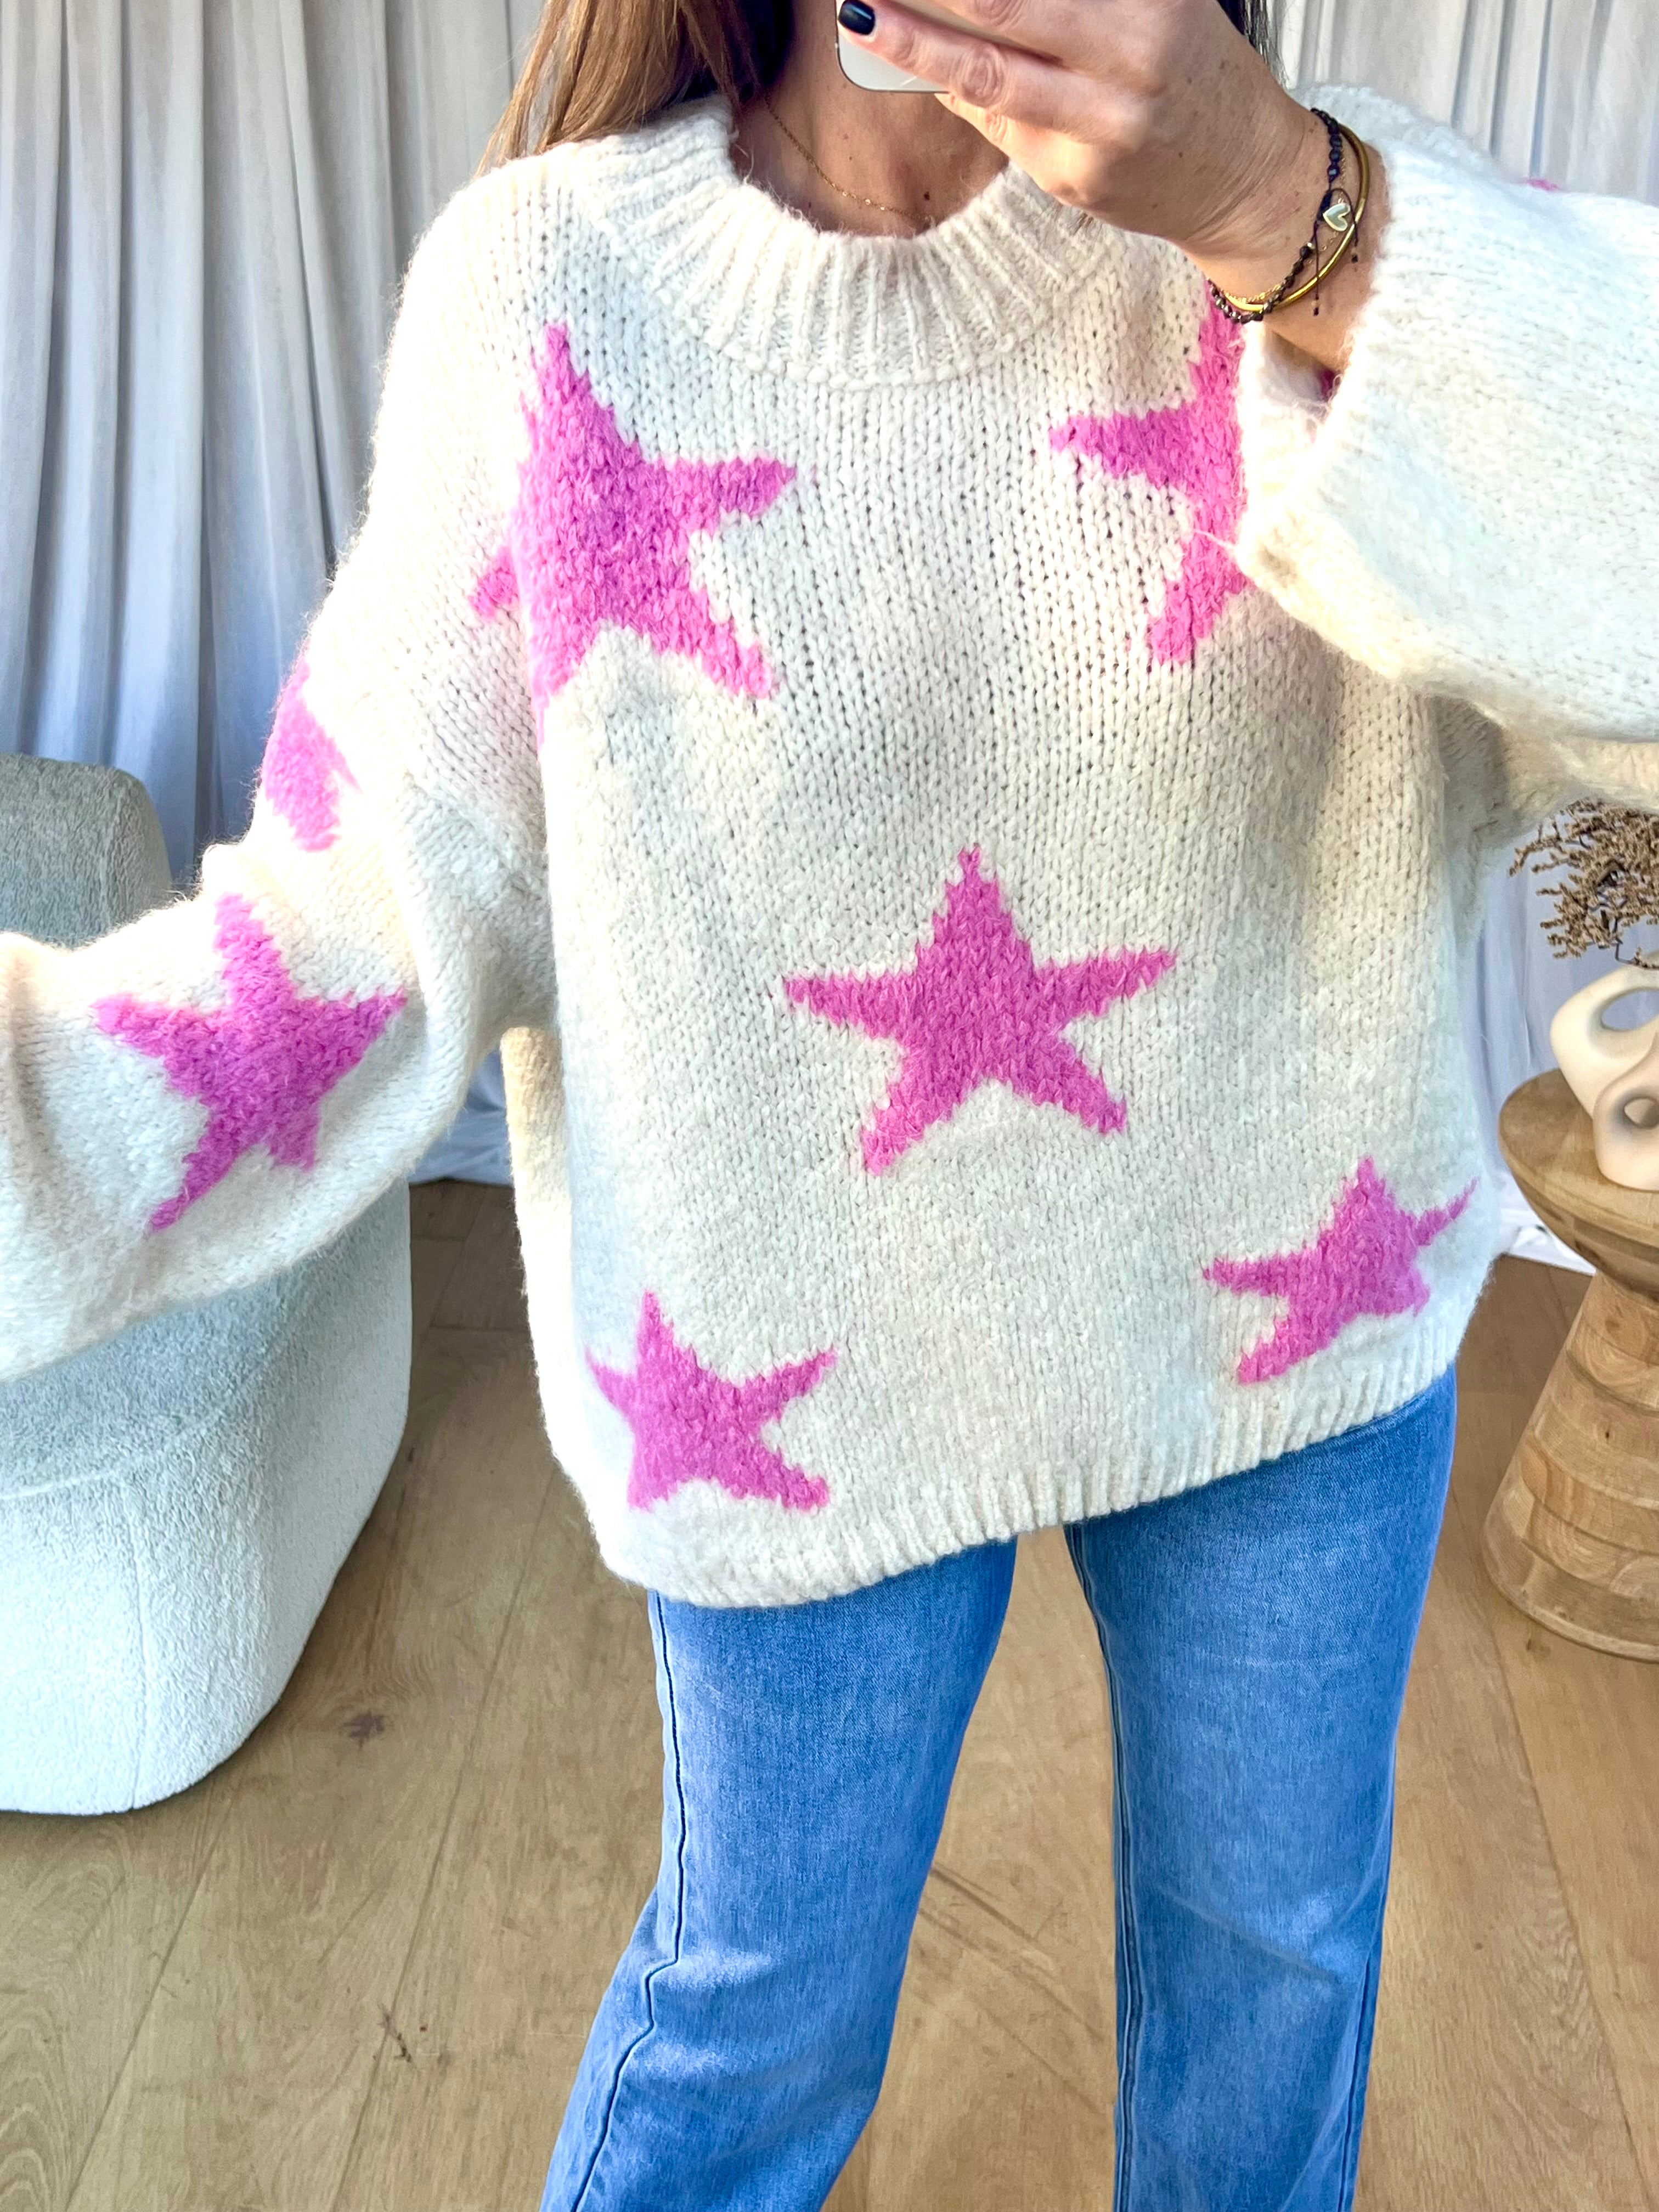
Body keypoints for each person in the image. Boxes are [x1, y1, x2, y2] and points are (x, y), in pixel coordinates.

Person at [3, 0, 1656, 2200]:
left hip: (1303, 1315)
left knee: (1279, 1966)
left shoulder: (1324, 221)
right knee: (757, 2019)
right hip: (782, 1369)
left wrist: (1284, 206)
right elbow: (365, 917)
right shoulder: (553, 291)